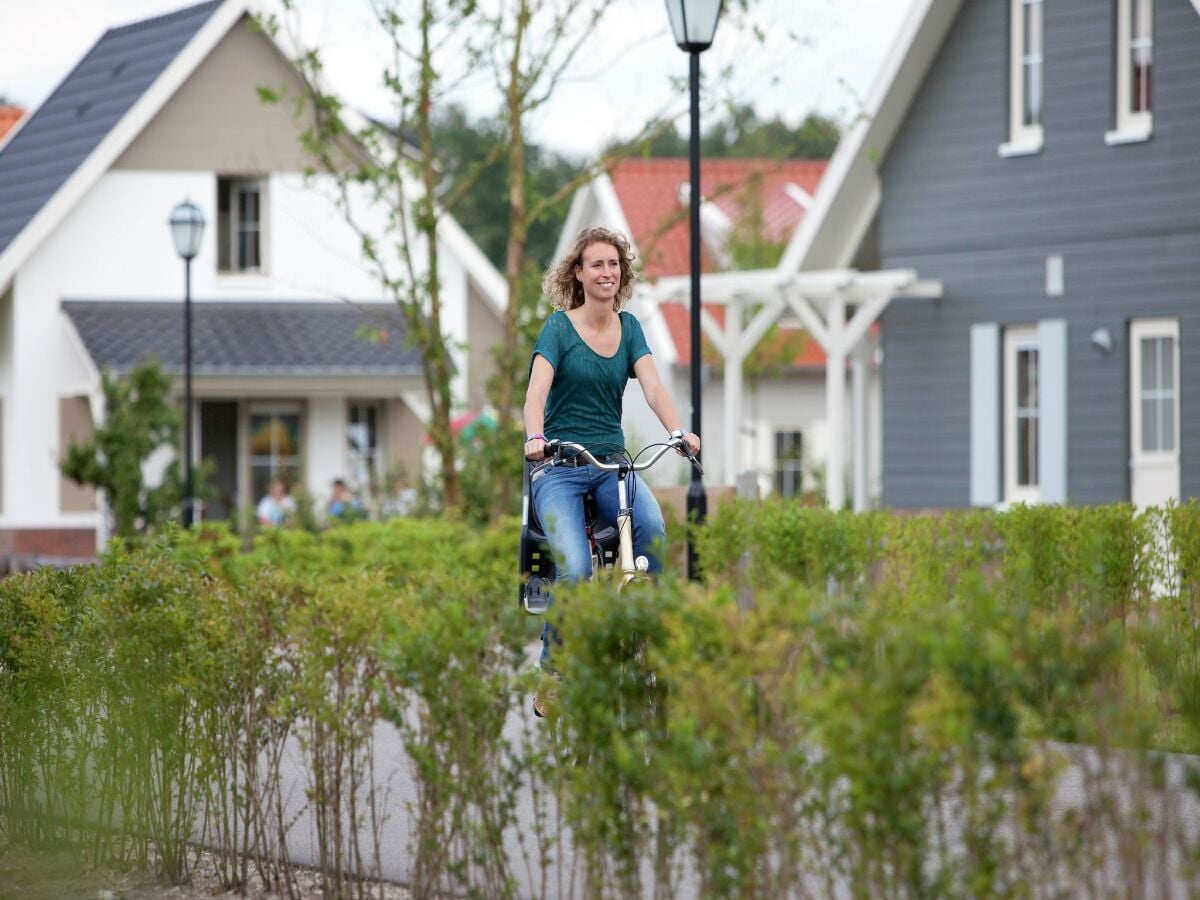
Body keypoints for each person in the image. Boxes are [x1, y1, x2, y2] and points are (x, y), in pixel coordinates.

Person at [523, 225, 700, 717]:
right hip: (559, 466)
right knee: (576, 570)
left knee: (652, 531)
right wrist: (536, 437)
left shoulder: (631, 329)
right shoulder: (558, 328)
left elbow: (653, 387)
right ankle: (553, 671)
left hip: (611, 465)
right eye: (596, 264)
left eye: (613, 264)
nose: (606, 272)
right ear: (578, 273)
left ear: (621, 275)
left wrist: (678, 430)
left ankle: (652, 644)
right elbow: (536, 393)